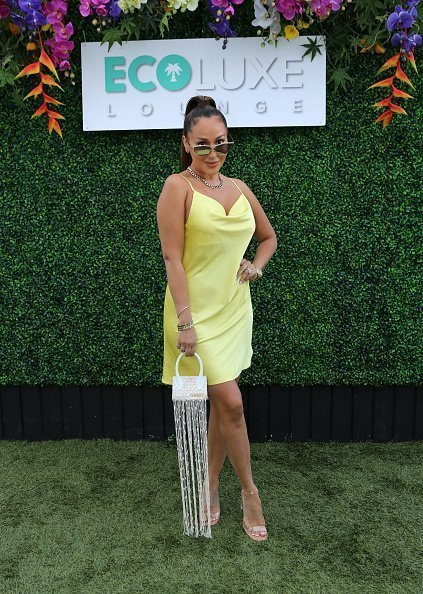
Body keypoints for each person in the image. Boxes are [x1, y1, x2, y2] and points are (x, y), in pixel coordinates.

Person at [156, 95, 278, 541]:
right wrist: (185, 322)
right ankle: (250, 493)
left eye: (221, 145)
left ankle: (209, 484)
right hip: (194, 315)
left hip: (233, 309)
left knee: (222, 406)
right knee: (232, 403)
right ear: (186, 143)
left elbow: (268, 238)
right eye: (203, 145)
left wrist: (256, 265)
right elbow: (172, 259)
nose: (212, 154)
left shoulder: (241, 188)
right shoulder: (176, 187)